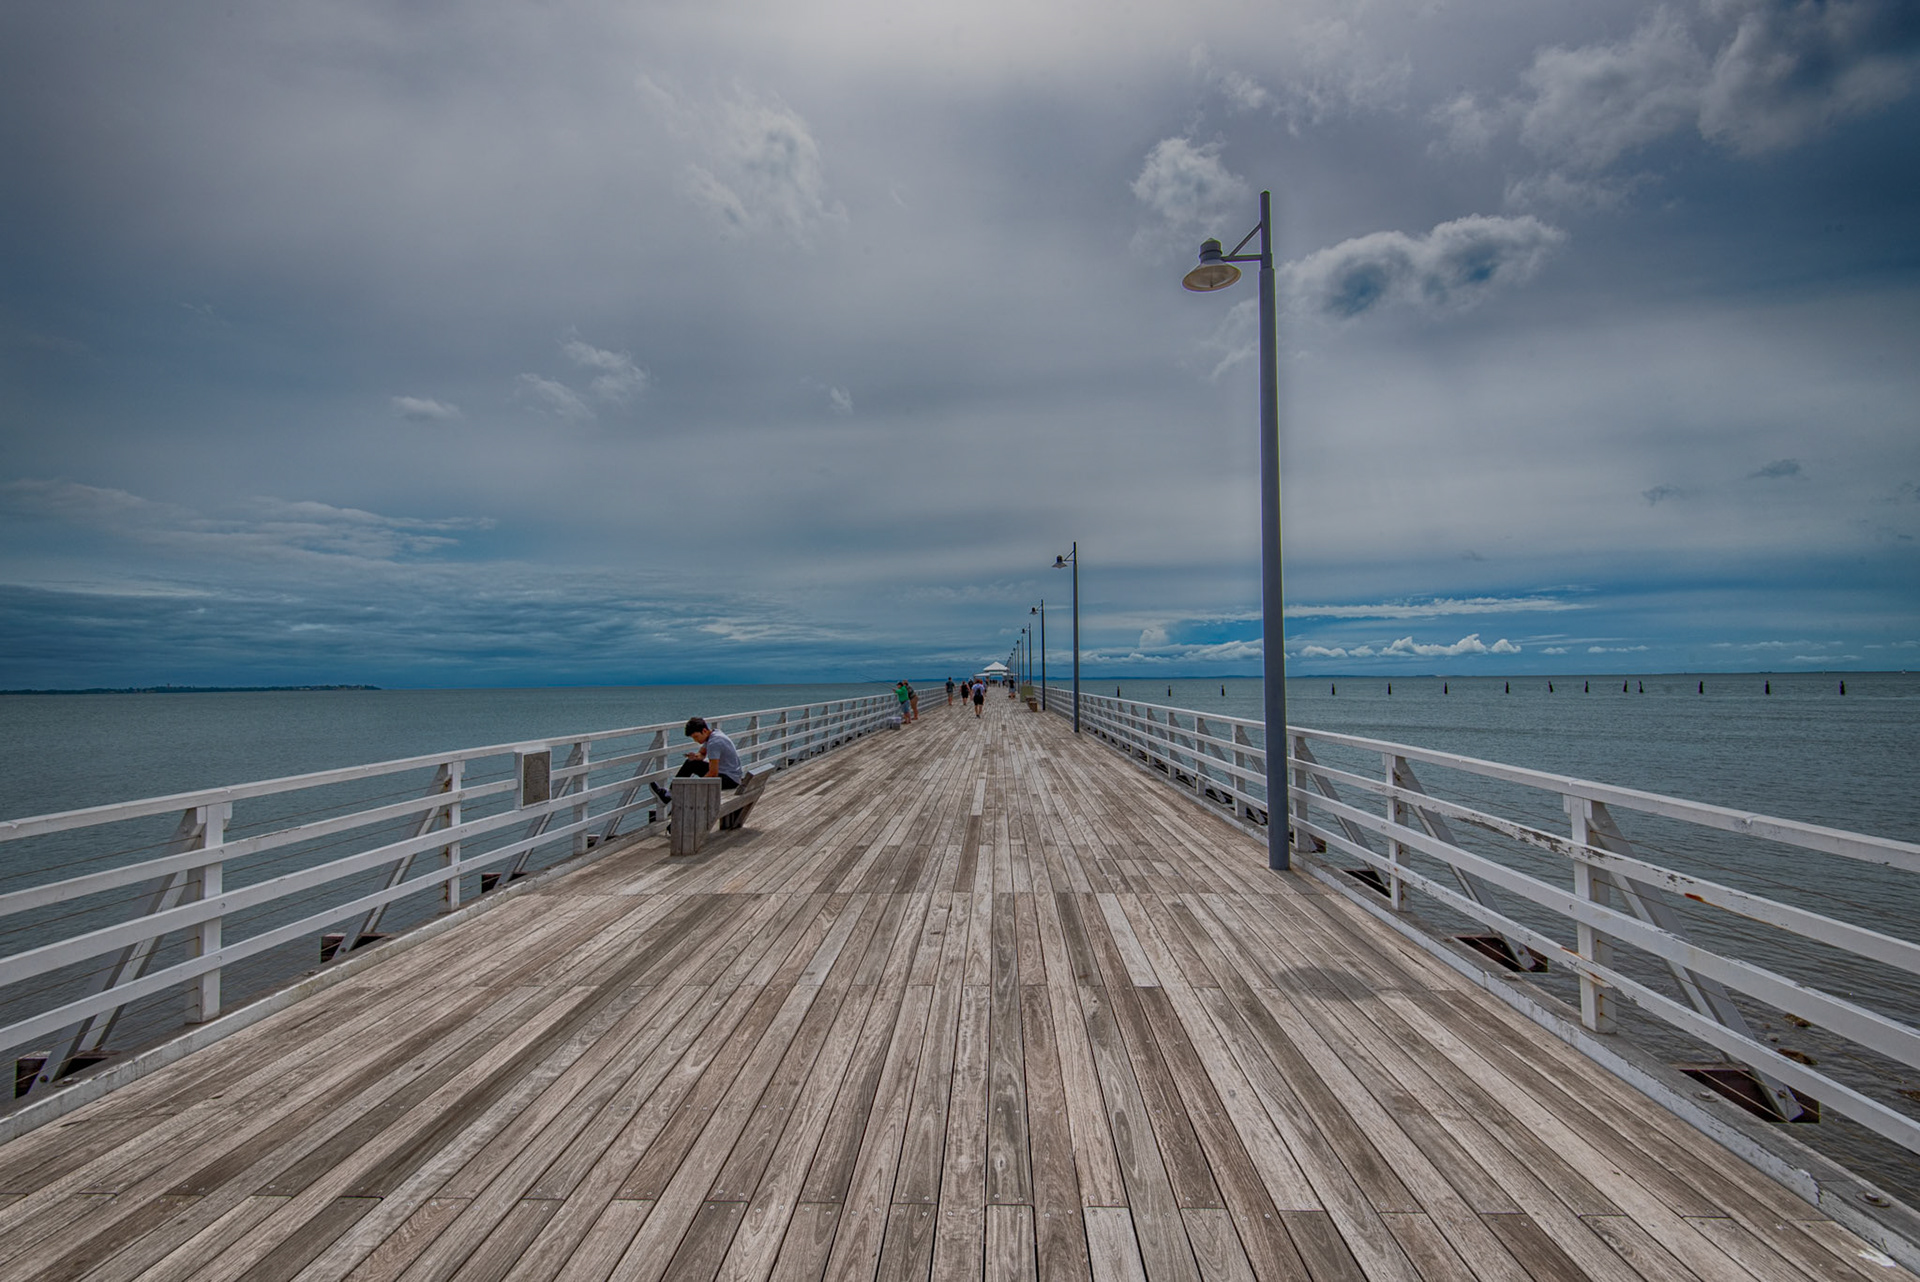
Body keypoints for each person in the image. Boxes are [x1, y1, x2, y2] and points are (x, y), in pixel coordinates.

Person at [649, 716, 744, 809]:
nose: (696, 740)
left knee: (691, 767)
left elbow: (713, 773)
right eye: (693, 738)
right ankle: (670, 795)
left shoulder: (714, 743)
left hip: (730, 780)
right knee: (691, 762)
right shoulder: (713, 734)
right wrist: (695, 756)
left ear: (704, 731)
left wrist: (696, 785)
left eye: (696, 737)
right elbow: (702, 754)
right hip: (732, 777)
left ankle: (669, 796)